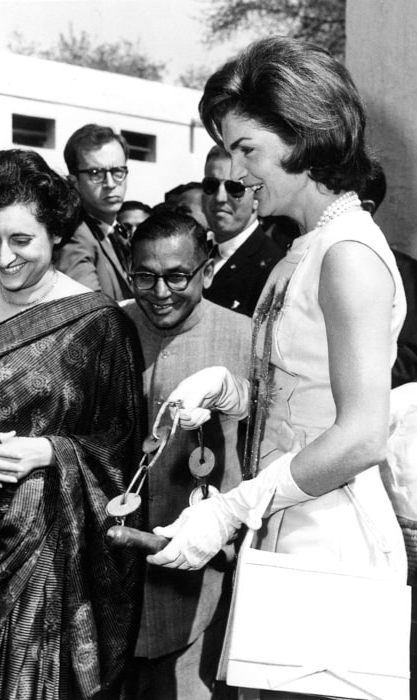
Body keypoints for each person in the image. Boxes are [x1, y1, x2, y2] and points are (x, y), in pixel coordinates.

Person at [148, 36, 408, 700]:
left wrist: (231, 509)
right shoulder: (306, 246)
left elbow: (359, 435)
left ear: (303, 137)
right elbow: (306, 390)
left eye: (247, 150)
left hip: (332, 534)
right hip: (289, 520)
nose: (234, 175)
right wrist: (231, 391)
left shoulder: (349, 253)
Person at [0, 149, 145, 700]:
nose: (3, 257)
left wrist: (51, 452)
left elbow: (126, 449)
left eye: (22, 240)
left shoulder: (99, 325)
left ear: (54, 236)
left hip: (58, 556)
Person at [121, 211, 251, 699]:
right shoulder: (109, 329)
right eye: (144, 276)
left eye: (177, 276)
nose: (159, 292)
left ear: (208, 269)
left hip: (206, 577)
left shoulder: (247, 337)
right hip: (115, 579)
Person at [201, 145, 284, 316]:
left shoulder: (274, 269)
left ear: (256, 196)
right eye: (211, 185)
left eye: (234, 188)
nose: (220, 198)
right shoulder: (195, 252)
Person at [55, 123, 133, 300]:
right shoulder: (75, 237)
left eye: (117, 171)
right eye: (96, 173)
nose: (110, 184)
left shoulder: (114, 230)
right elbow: (88, 312)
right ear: (74, 182)